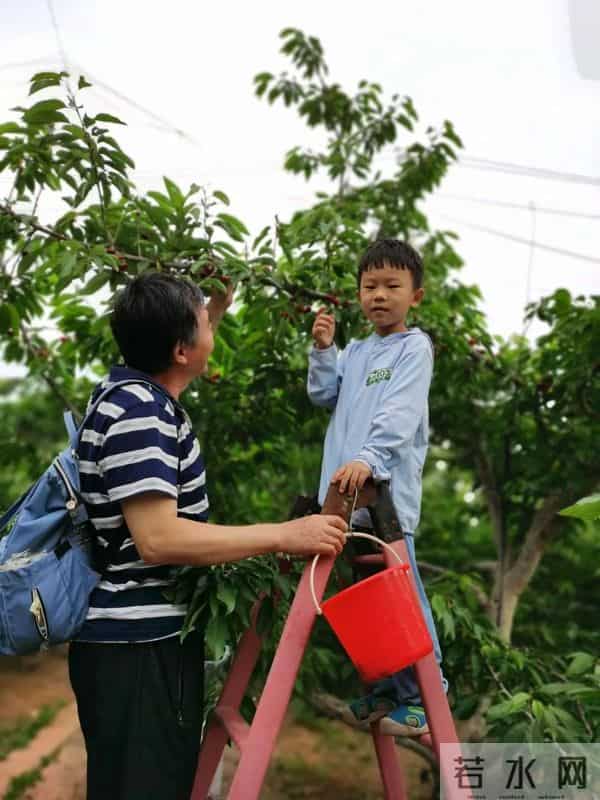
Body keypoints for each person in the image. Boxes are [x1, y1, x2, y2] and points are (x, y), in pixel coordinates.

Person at [70, 271, 347, 800]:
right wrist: (285, 534)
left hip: (133, 646)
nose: (210, 327)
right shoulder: (142, 415)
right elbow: (159, 539)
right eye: (202, 323)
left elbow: (172, 363)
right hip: (140, 650)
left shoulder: (129, 393)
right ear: (179, 349)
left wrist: (212, 308)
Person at [307, 237, 445, 737]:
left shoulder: (414, 348)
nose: (379, 295)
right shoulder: (358, 351)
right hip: (344, 501)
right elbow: (323, 394)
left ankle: (429, 695)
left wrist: (369, 458)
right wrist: (323, 350)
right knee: (365, 599)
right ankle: (389, 689)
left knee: (400, 593)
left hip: (383, 497)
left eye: (392, 286)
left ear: (416, 296)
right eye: (370, 286)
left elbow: (400, 414)